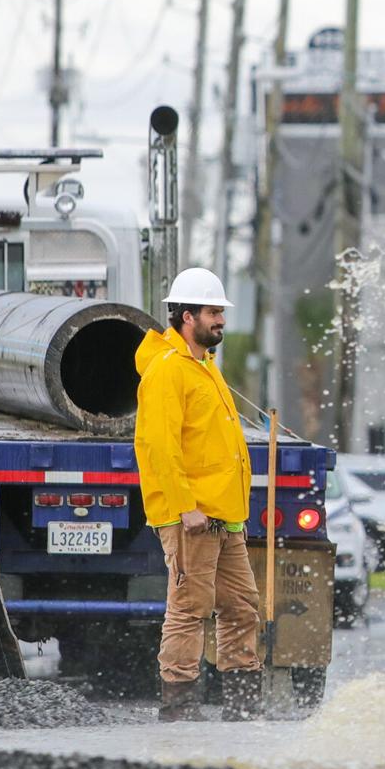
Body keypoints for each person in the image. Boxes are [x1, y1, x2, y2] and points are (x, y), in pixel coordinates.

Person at [134, 267, 261, 722]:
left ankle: (243, 705)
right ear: (187, 317)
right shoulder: (169, 370)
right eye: (213, 312)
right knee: (189, 610)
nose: (220, 321)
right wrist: (186, 506)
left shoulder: (203, 367)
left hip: (224, 516)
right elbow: (158, 447)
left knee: (242, 606)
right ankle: (179, 706)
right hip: (192, 516)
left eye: (220, 312)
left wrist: (231, 511)